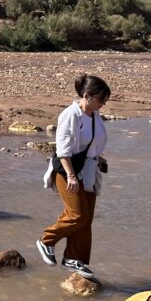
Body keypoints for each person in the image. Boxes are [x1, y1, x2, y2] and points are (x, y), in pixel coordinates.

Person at [37, 74, 111, 280]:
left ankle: (73, 258)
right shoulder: (71, 115)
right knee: (77, 215)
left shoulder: (93, 114)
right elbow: (63, 150)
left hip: (87, 169)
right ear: (87, 96)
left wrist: (99, 159)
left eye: (105, 100)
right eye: (100, 99)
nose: (103, 104)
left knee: (86, 219)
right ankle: (46, 241)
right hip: (67, 170)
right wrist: (71, 176)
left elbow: (93, 143)